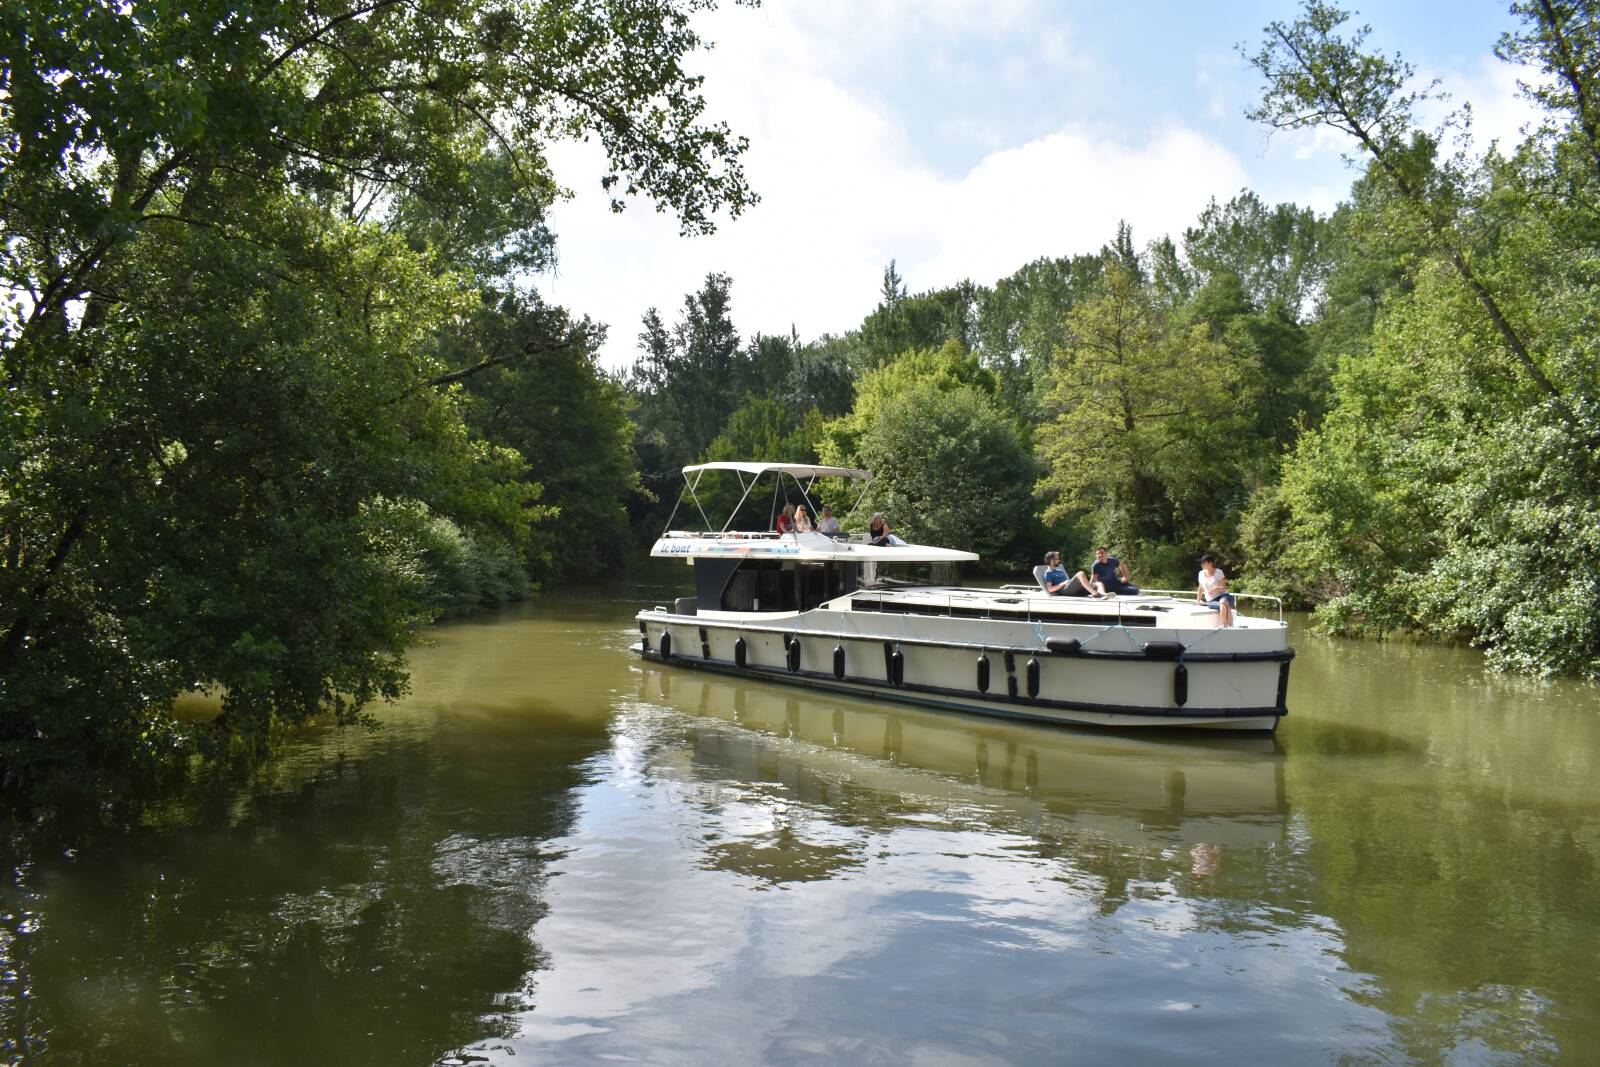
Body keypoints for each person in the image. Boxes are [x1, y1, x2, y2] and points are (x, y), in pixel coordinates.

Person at [1196, 552, 1235, 627]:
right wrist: (1197, 601)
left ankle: (1226, 627)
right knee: (1225, 605)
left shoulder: (1218, 572)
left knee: (1223, 602)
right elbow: (1200, 588)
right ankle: (1228, 627)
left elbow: (1224, 588)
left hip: (1223, 596)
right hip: (1211, 600)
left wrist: (1215, 589)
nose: (1201, 564)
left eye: (1203, 562)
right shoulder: (1201, 573)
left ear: (1210, 563)